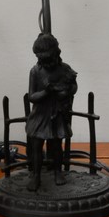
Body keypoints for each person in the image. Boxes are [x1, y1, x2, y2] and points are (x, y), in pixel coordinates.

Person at [25, 33, 77, 191]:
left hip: (57, 114)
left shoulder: (65, 69)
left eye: (47, 58)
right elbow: (32, 96)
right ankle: (36, 175)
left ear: (56, 53)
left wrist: (67, 91)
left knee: (56, 145)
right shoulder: (35, 71)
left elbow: (73, 85)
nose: (44, 62)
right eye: (40, 58)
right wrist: (46, 92)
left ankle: (57, 172)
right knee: (36, 146)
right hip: (40, 115)